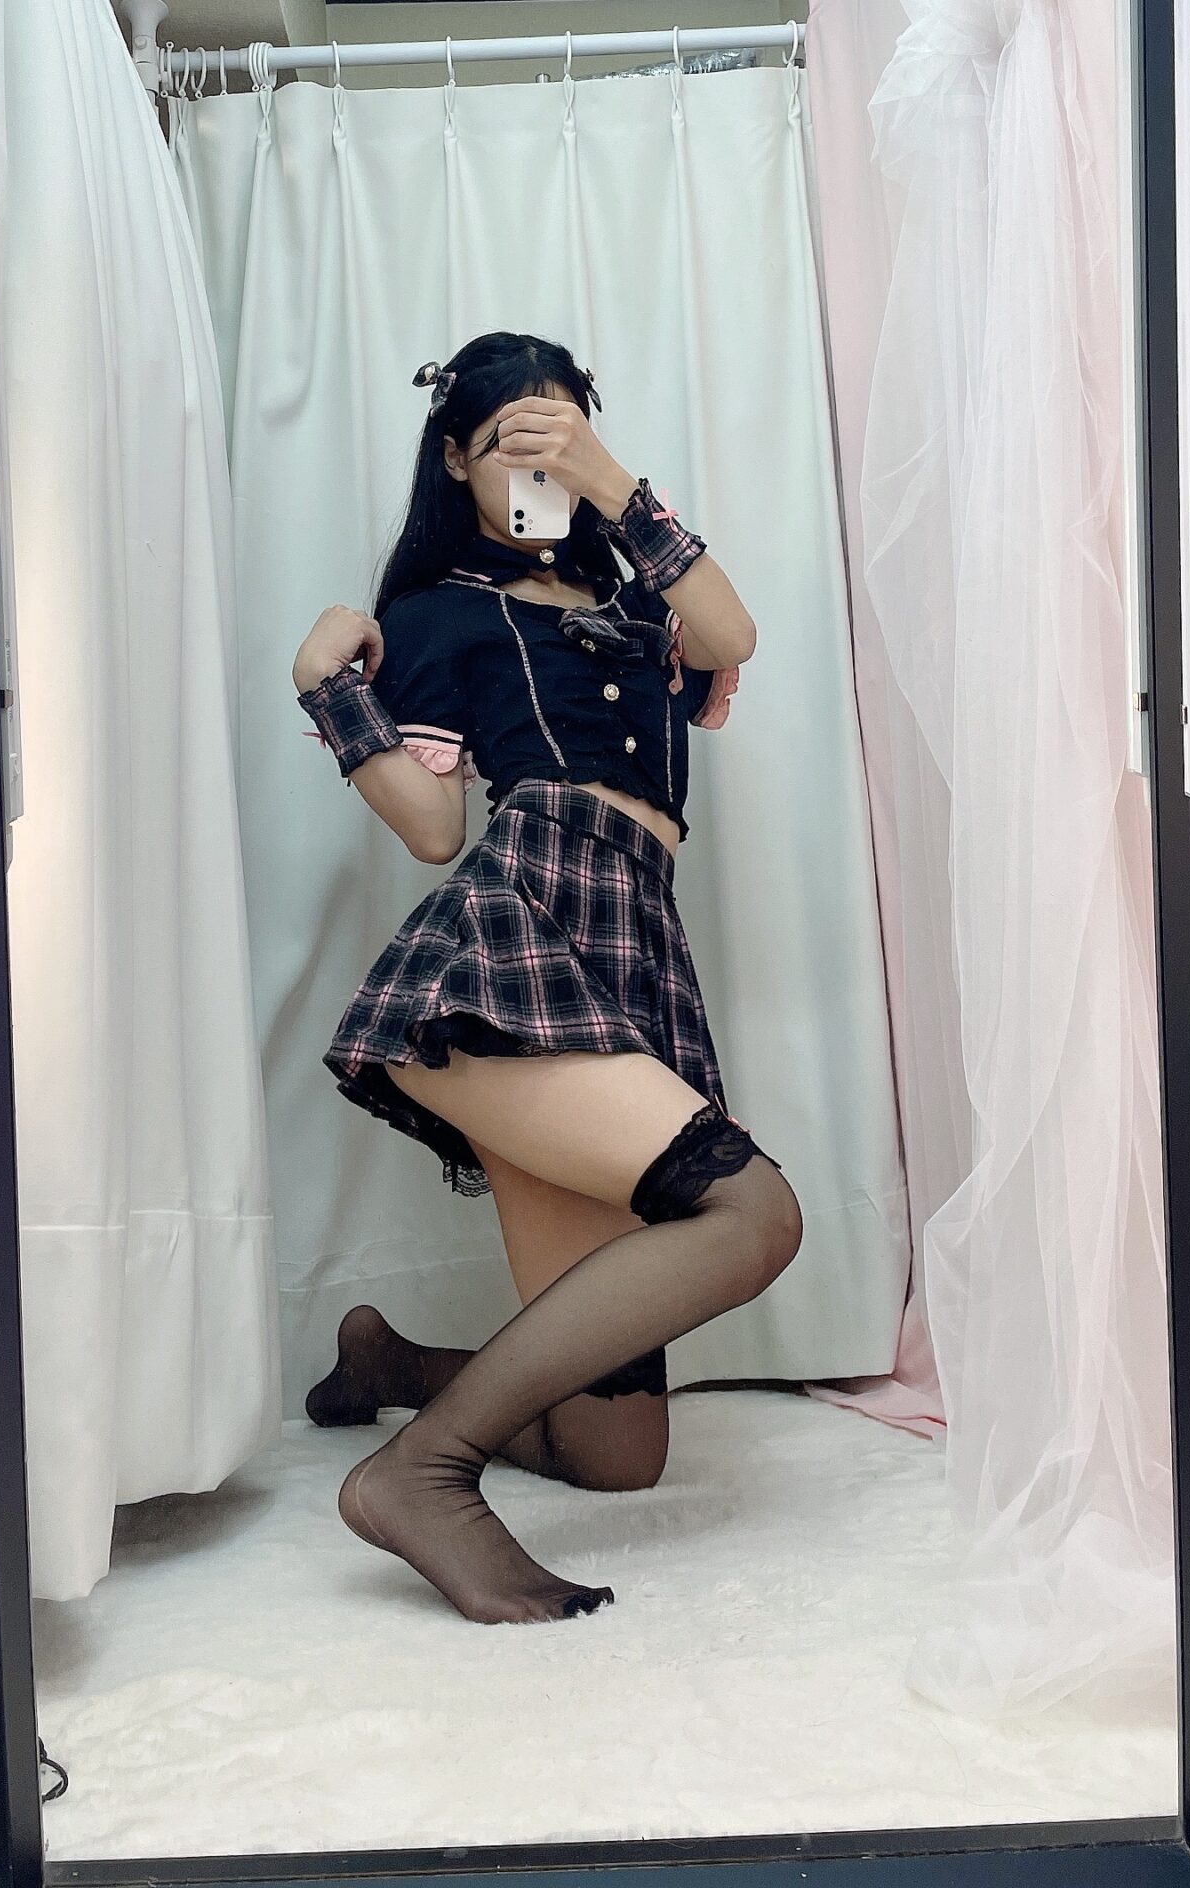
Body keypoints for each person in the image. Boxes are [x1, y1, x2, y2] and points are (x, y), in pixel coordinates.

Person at [292, 330, 802, 1626]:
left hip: (635, 948)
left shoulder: (639, 608)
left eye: (559, 433)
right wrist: (329, 689)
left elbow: (733, 631)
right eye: (509, 442)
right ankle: (422, 1474)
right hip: (515, 945)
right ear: (454, 461)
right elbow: (431, 828)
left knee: (618, 1457)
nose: (538, 462)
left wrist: (607, 479)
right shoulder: (438, 613)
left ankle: (392, 1366)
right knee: (752, 1216)